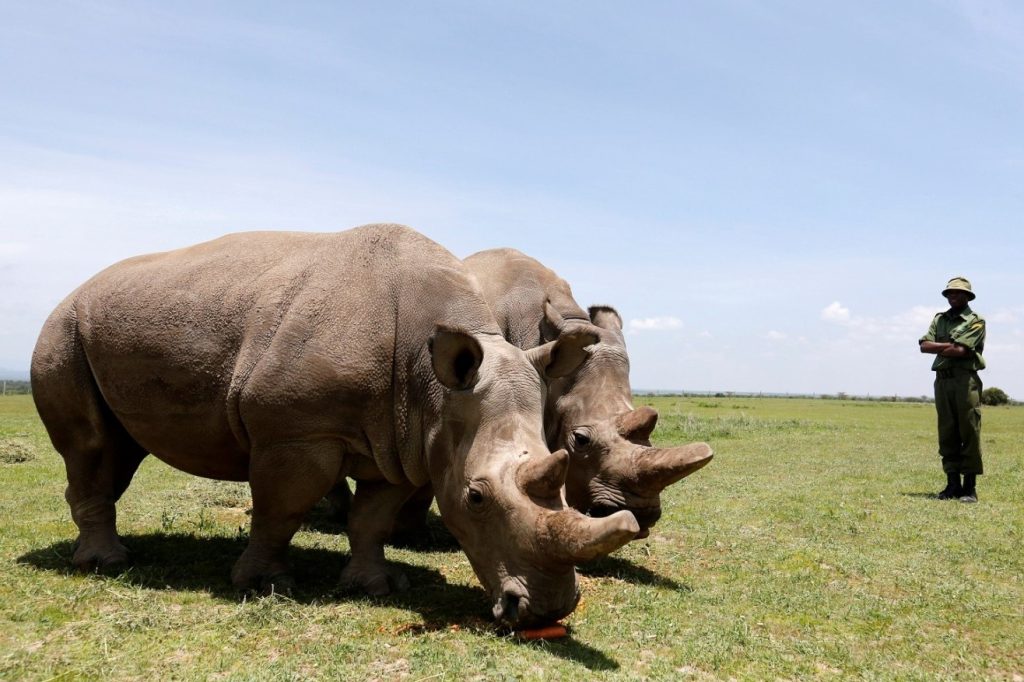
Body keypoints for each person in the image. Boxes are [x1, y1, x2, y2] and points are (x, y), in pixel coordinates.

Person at [919, 276, 986, 503]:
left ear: (967, 296)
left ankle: (969, 488)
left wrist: (945, 348)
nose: (952, 296)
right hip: (943, 381)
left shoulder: (976, 321)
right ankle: (952, 485)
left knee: (968, 430)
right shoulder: (940, 319)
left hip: (964, 381)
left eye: (957, 293)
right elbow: (924, 346)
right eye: (949, 293)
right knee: (947, 431)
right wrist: (951, 346)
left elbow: (962, 352)